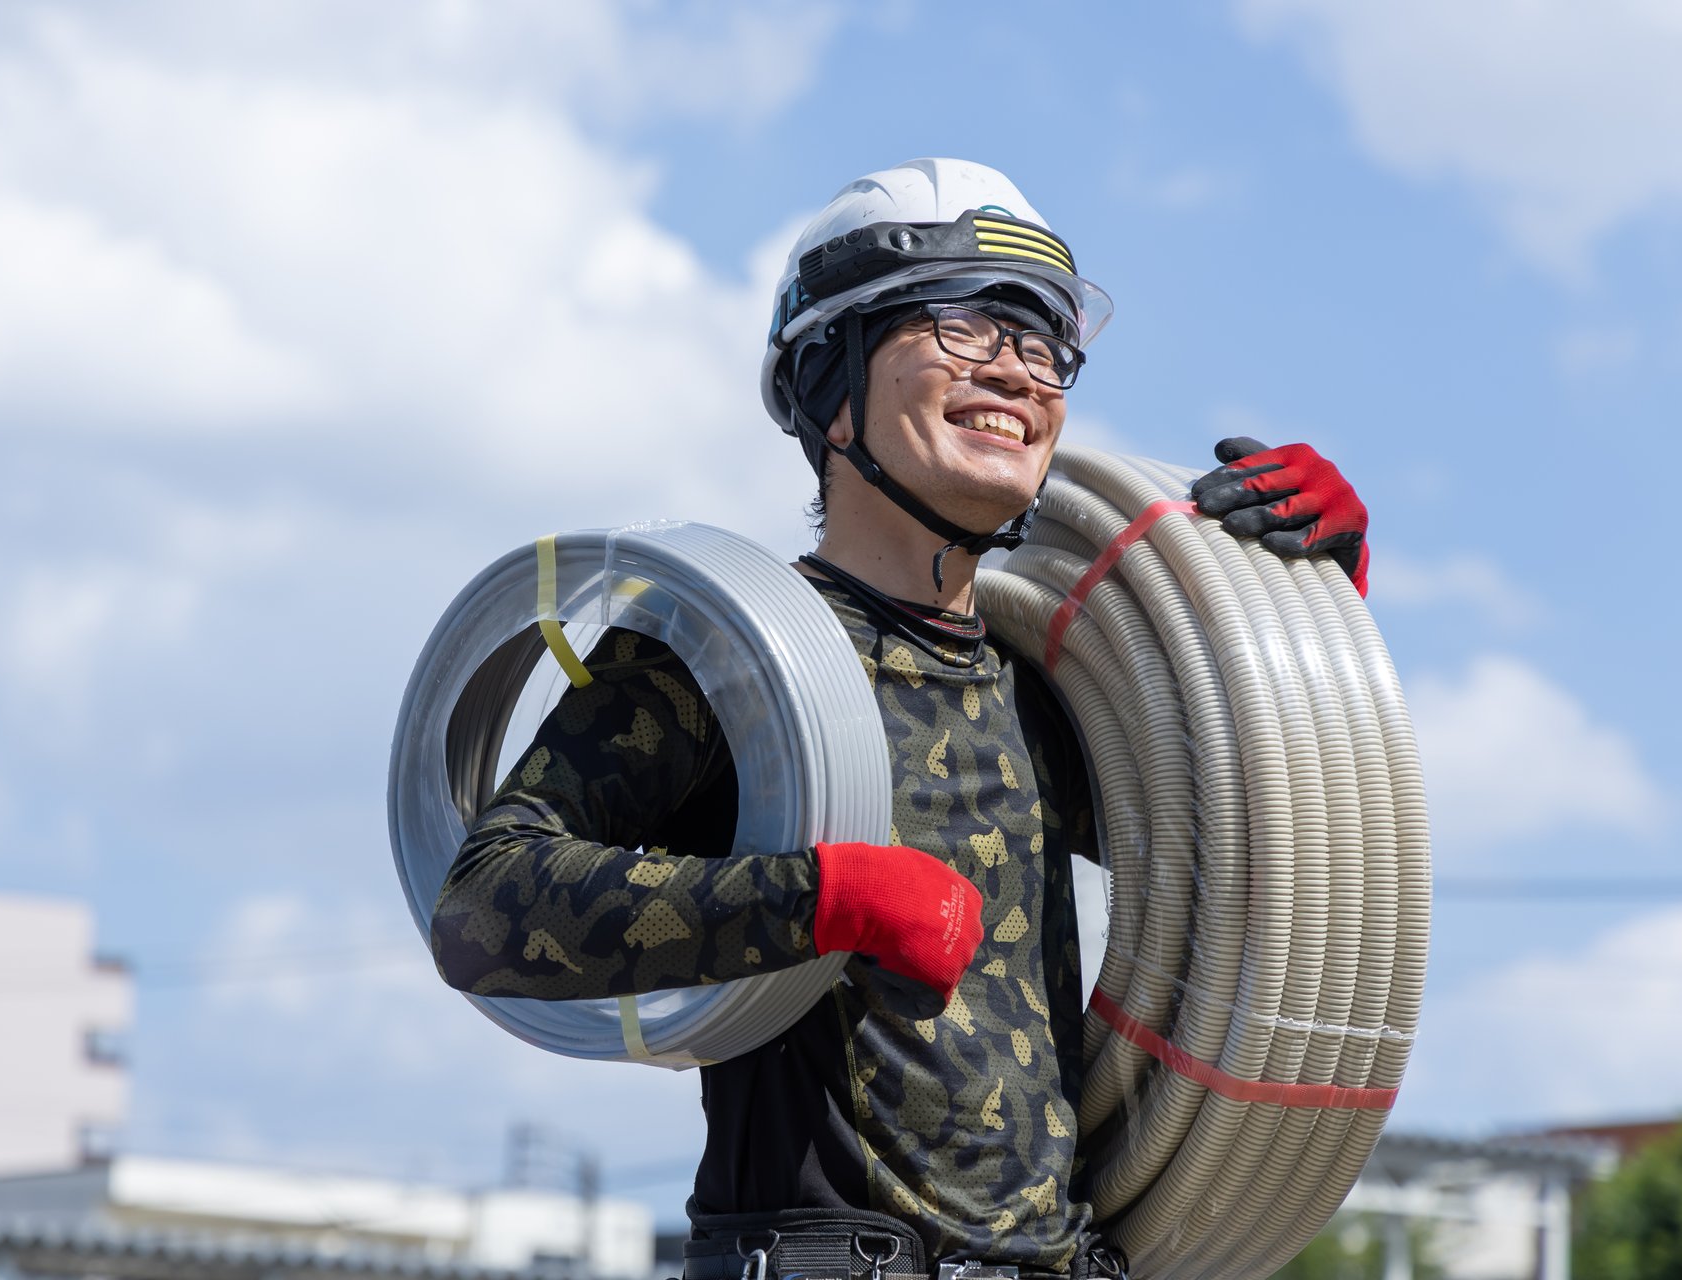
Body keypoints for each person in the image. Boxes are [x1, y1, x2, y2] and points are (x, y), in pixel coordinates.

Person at [430, 158, 1370, 1279]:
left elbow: (1250, 872)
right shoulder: (721, 659)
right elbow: (487, 907)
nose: (1017, 373)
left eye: (1041, 345)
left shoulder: (1048, 692)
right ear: (828, 376)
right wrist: (819, 899)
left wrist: (1300, 619)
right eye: (966, 327)